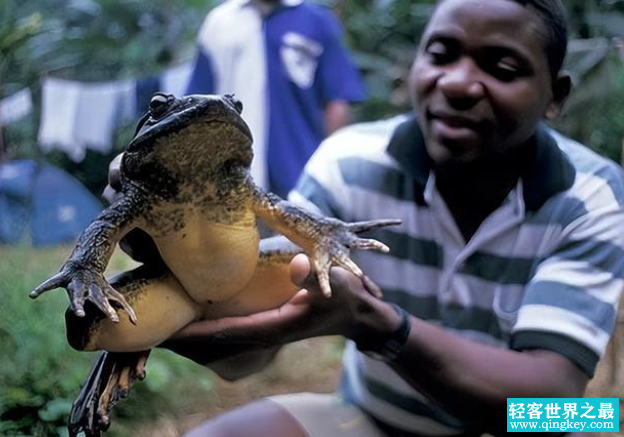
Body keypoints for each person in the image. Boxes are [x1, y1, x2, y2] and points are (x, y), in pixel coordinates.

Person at [108, 0, 624, 435]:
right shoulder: (347, 163)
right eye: (441, 54)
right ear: (414, 67)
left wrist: (380, 328)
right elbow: (245, 363)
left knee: (601, 421)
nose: (459, 83)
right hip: (373, 419)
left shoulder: (593, 196)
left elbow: (557, 408)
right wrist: (188, 279)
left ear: (556, 96)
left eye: (502, 68)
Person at [185, 0, 366, 198]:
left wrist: (332, 172)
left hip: (302, 174)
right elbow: (197, 106)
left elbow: (336, 102)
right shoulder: (220, 23)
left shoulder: (316, 20)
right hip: (231, 177)